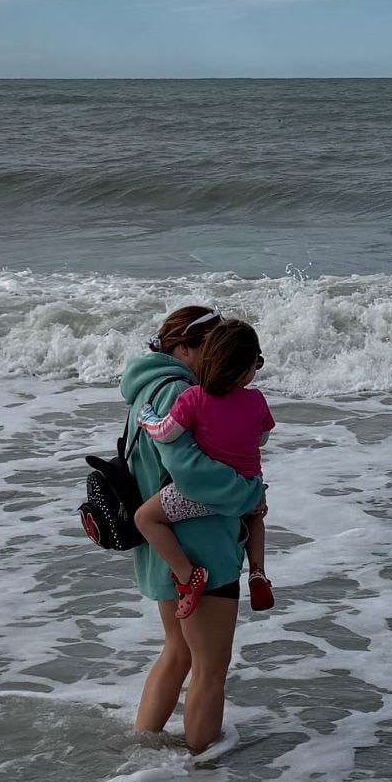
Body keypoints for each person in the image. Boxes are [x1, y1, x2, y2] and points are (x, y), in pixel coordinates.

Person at [119, 306, 268, 755]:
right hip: (200, 546)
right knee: (210, 666)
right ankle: (203, 775)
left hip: (166, 548)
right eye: (211, 345)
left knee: (179, 653)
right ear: (184, 347)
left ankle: (142, 754)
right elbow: (189, 472)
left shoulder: (148, 387)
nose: (218, 354)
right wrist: (248, 495)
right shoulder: (179, 392)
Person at [131, 316, 275, 621]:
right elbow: (262, 436)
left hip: (200, 498)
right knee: (256, 515)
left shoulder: (193, 397)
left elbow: (166, 432)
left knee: (144, 517)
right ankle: (258, 571)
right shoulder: (256, 399)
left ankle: (187, 575)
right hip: (247, 482)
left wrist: (147, 419)